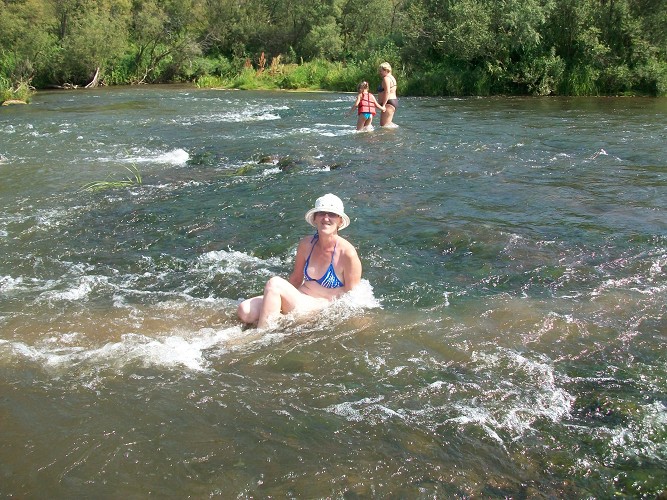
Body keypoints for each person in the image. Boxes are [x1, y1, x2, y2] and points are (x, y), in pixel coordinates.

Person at [237, 194, 362, 329]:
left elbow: (352, 296)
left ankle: (262, 336)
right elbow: (296, 279)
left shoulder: (347, 253)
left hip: (317, 309)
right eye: (321, 213)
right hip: (300, 299)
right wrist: (280, 299)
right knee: (245, 311)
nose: (326, 218)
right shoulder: (306, 244)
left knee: (275, 283)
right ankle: (276, 322)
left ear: (340, 221)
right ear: (315, 218)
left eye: (331, 214)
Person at [377, 62, 398, 127]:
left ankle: (389, 136)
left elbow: (387, 92)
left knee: (384, 126)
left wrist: (383, 105)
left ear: (386, 70)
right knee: (388, 124)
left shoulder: (386, 78)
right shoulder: (392, 78)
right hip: (392, 101)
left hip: (388, 103)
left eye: (381, 71)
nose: (380, 72)